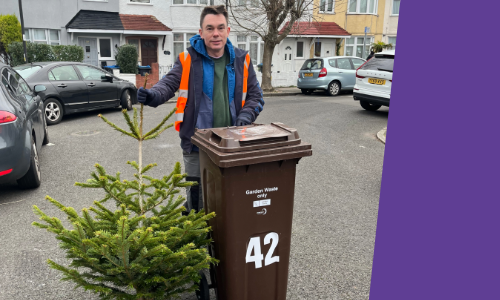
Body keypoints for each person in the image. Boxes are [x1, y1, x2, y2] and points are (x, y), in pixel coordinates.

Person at [137, 5, 264, 213]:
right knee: (196, 201)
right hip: (196, 145)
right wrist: (153, 95)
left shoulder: (243, 60)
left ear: (228, 31)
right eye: (210, 28)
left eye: (221, 28)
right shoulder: (188, 59)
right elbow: (168, 84)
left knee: (230, 199)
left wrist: (246, 115)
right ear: (201, 32)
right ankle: (198, 243)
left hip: (232, 144)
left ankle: (224, 243)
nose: (216, 33)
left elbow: (256, 96)